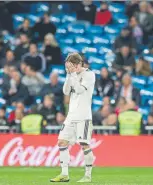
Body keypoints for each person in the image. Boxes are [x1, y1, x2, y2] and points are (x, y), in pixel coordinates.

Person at [50, 53, 95, 183]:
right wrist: (68, 75)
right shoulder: (71, 74)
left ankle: (88, 175)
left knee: (84, 144)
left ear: (77, 64)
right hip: (71, 115)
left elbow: (80, 90)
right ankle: (64, 174)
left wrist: (73, 74)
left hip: (84, 116)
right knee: (62, 142)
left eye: (70, 67)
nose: (69, 69)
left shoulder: (89, 74)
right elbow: (66, 91)